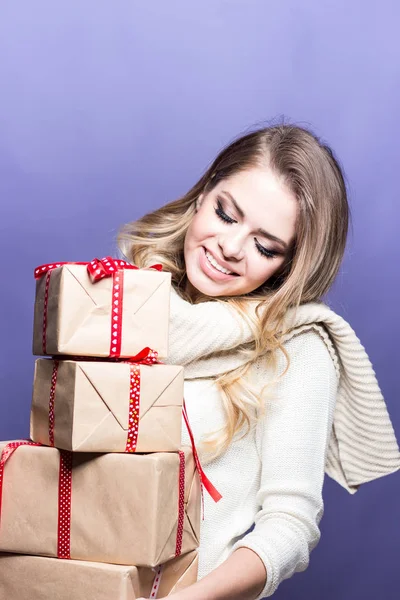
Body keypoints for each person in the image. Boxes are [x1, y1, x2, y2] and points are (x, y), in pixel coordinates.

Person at [118, 124, 400, 600]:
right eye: (226, 214)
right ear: (205, 192)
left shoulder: (298, 347)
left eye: (265, 246)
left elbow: (290, 524)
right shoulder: (124, 303)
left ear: (290, 267)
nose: (230, 247)